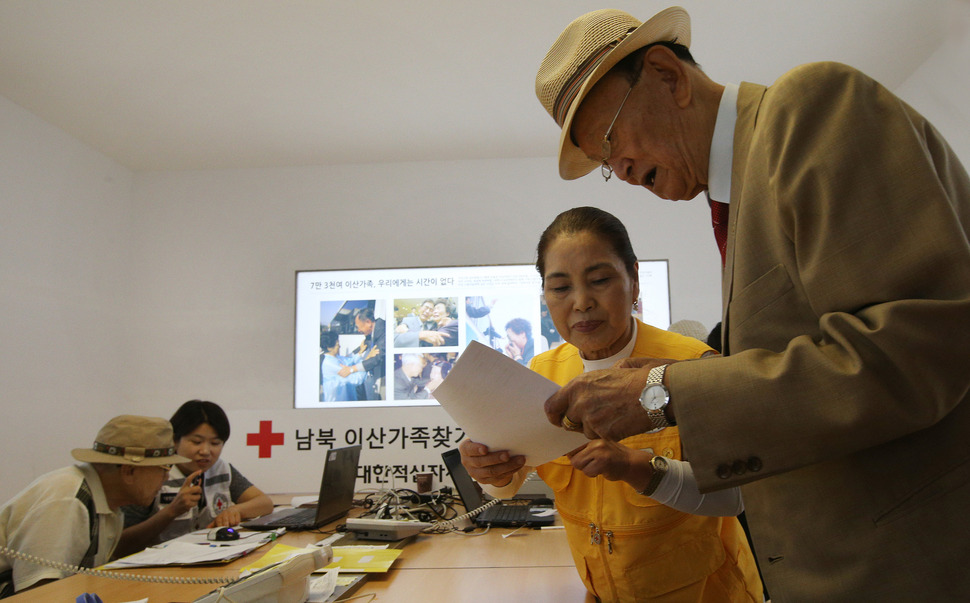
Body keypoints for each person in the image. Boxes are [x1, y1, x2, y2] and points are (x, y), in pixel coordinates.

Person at [535, 7, 970, 600]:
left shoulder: (810, 108)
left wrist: (665, 392)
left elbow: (912, 353)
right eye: (606, 166)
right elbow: (812, 384)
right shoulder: (737, 200)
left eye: (611, 141)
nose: (621, 169)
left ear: (667, 75)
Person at [460, 207, 762, 602]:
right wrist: (489, 470)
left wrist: (635, 467)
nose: (582, 302)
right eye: (561, 288)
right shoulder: (543, 372)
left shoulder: (692, 365)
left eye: (600, 280)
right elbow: (506, 485)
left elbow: (734, 499)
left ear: (634, 281)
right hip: (603, 591)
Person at [0, 415, 187, 595]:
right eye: (163, 469)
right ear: (129, 471)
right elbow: (36, 594)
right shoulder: (68, 500)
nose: (166, 477)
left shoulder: (107, 503)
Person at [118, 401, 273, 554]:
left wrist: (235, 510)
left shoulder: (221, 469)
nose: (205, 451)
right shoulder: (153, 473)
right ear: (174, 440)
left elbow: (264, 503)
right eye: (196, 442)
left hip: (208, 556)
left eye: (215, 443)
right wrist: (171, 511)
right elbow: (120, 544)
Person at [320, 330, 373, 401]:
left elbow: (348, 361)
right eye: (337, 344)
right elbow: (356, 379)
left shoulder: (336, 357)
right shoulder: (329, 364)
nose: (340, 346)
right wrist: (368, 360)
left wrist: (360, 352)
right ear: (329, 348)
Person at [350, 307, 385, 400]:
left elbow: (378, 357)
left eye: (358, 326)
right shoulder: (371, 332)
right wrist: (349, 357)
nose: (358, 330)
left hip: (384, 378)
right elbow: (363, 346)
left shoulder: (384, 331)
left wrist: (354, 368)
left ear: (368, 322)